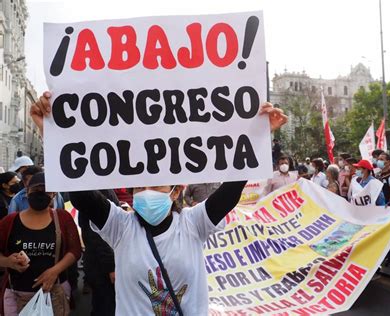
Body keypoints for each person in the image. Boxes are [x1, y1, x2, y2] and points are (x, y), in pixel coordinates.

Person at [30, 91, 287, 315]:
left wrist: (258, 136)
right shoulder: (121, 227)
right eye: (140, 187)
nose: (146, 192)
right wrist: (52, 134)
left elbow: (230, 192)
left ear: (175, 192)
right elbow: (82, 195)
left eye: (157, 186)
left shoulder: (193, 223)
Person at [0, 172, 81, 315]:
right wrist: (8, 261)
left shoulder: (63, 218)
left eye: (46, 191)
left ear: (54, 195)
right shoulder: (10, 221)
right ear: (27, 192)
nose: (40, 193)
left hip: (54, 294)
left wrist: (54, 271)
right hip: (17, 295)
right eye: (36, 189)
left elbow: (75, 250)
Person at [79, 190, 120, 316]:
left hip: (96, 260)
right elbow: (98, 235)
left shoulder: (100, 190)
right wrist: (111, 266)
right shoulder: (101, 191)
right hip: (102, 265)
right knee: (106, 306)